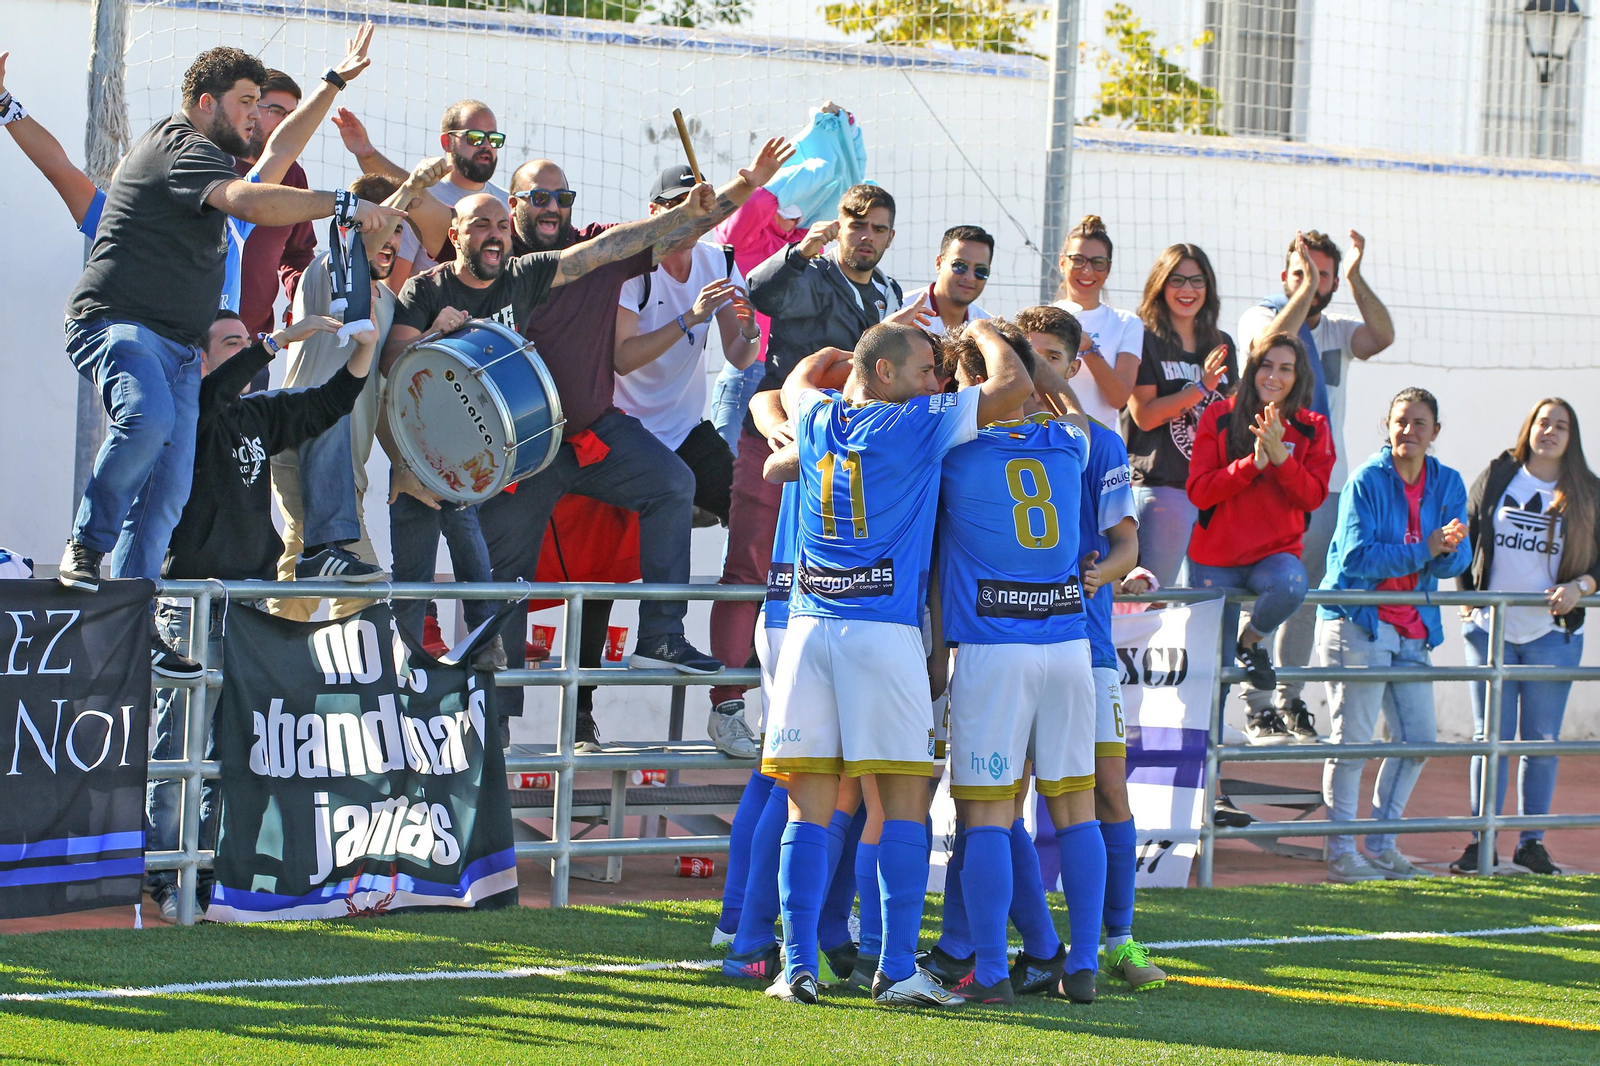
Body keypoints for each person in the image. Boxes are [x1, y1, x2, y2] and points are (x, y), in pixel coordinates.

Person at [58, 45, 402, 679]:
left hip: (187, 352)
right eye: (245, 103)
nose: (254, 116)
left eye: (257, 103)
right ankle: (85, 546)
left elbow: (278, 158)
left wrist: (330, 83)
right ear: (203, 104)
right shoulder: (181, 151)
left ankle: (133, 617)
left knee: (169, 492)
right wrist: (343, 204)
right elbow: (251, 196)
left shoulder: (220, 189)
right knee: (147, 421)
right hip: (121, 327)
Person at [466, 138, 792, 735]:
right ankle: (494, 725)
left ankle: (668, 642)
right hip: (522, 452)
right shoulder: (489, 268)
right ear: (511, 206)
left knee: (675, 484)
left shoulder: (602, 247)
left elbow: (674, 232)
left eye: (560, 197)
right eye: (538, 197)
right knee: (510, 581)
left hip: (600, 436)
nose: (551, 207)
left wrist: (743, 186)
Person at [761, 321, 1030, 1007]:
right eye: (924, 370)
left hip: (810, 631)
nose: (935, 382)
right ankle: (897, 971)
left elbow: (792, 385)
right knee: (907, 797)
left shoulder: (818, 413)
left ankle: (794, 968)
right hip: (881, 634)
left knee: (808, 807)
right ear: (883, 375)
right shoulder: (914, 424)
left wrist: (823, 357)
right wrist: (984, 332)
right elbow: (1015, 386)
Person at [150, 308, 376, 919]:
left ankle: (207, 873)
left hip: (248, 601)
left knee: (229, 751)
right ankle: (167, 875)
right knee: (181, 748)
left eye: (249, 342)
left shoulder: (257, 414)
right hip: (190, 604)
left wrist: (364, 351)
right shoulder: (182, 411)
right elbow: (213, 391)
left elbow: (324, 405)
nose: (250, 352)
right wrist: (277, 341)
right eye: (232, 343)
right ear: (198, 357)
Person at [710, 184, 921, 765]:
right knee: (752, 568)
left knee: (827, 578)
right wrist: (803, 250)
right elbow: (758, 292)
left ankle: (819, 706)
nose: (867, 237)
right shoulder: (812, 272)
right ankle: (727, 705)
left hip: (848, 457)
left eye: (878, 228)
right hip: (780, 436)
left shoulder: (888, 292)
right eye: (858, 225)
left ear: (890, 236)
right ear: (841, 227)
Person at [932, 321, 1095, 1006]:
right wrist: (1034, 367)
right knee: (1075, 811)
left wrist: (983, 340)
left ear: (971, 383)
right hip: (1068, 647)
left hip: (996, 650)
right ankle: (1080, 963)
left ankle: (992, 973)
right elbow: (1067, 403)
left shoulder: (951, 445)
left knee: (988, 816)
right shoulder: (1067, 440)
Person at [1013, 304, 1162, 995]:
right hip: (1005, 641)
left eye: (1050, 355)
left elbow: (1127, 540)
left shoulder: (1100, 442)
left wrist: (1101, 573)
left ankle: (1119, 944)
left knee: (1108, 789)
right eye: (1026, 352)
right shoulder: (988, 430)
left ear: (1074, 366)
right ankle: (1039, 942)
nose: (1035, 366)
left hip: (1087, 645)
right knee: (999, 800)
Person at [613, 164, 764, 753]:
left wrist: (748, 335)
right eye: (680, 205)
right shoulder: (633, 267)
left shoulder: (718, 261)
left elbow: (738, 349)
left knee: (753, 511)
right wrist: (689, 318)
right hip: (623, 428)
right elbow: (623, 360)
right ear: (656, 211)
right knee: (602, 570)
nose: (693, 215)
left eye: (702, 206)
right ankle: (589, 709)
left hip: (683, 428)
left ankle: (737, 679)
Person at [269, 163, 456, 616]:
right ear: (349, 227)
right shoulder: (328, 274)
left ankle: (259, 674)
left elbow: (385, 397)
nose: (391, 243)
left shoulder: (388, 302)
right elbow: (361, 238)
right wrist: (411, 186)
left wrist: (403, 465)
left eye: (399, 236)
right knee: (363, 591)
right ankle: (331, 681)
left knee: (299, 583)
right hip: (302, 449)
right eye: (385, 230)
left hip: (344, 467)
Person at [1238, 230, 1395, 740]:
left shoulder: (1335, 329)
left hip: (1322, 485)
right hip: (1264, 480)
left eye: (1323, 274)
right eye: (1302, 273)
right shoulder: (1261, 316)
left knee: (1304, 595)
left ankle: (1290, 699)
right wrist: (1304, 291)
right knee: (1260, 591)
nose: (1314, 283)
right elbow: (1268, 346)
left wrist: (1354, 276)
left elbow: (1383, 336)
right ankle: (1256, 702)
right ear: (1285, 278)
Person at [1319, 388, 1468, 883]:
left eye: (1420, 423)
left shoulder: (1447, 481)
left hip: (1412, 630)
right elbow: (1355, 560)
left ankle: (1381, 846)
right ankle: (1340, 851)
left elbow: (1459, 558)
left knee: (1418, 740)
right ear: (1388, 425)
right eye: (1401, 421)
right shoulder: (1366, 480)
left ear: (1435, 432)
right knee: (1353, 744)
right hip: (1358, 622)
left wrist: (1447, 551)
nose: (1409, 431)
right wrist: (1426, 549)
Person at [1456, 398, 1600, 875]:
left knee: (1539, 742)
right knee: (1488, 738)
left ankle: (1530, 843)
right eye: (1543, 422)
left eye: (1561, 426)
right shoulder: (1500, 474)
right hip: (1490, 630)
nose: (1550, 431)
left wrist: (1582, 586)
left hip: (1550, 635)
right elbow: (1467, 531)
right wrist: (1469, 601)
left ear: (1571, 438)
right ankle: (1483, 841)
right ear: (1529, 428)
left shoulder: (1587, 491)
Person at [1186, 334, 1333, 743]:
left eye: (1286, 368)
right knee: (1210, 678)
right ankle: (1209, 796)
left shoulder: (1312, 426)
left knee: (1292, 585)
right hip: (1214, 559)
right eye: (1267, 365)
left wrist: (1282, 459)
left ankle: (1250, 641)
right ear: (1252, 369)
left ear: (1298, 376)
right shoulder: (1218, 415)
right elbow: (1199, 491)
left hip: (1274, 557)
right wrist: (1253, 463)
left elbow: (1313, 496)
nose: (1274, 375)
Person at [709, 101, 866, 454]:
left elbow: (850, 186)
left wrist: (846, 131)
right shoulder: (745, 239)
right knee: (727, 469)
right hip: (746, 370)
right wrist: (820, 129)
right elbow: (751, 206)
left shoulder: (802, 248)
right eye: (785, 207)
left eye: (799, 213)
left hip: (785, 376)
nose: (792, 218)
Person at [1121, 244, 1235, 590]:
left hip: (1212, 494)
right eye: (1177, 280)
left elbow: (1229, 417)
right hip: (1161, 489)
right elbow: (1144, 416)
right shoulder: (1143, 337)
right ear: (1160, 285)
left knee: (1202, 609)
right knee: (1154, 602)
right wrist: (1201, 387)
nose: (1187, 290)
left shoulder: (1222, 342)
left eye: (1196, 280)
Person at [337, 98, 509, 290]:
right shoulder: (421, 200)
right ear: (447, 142)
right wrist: (367, 155)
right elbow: (394, 288)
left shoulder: (506, 204)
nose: (486, 146)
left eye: (494, 139)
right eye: (475, 137)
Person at [1051, 214, 1142, 430]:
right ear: (1063, 262)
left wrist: (1089, 349)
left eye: (1098, 263)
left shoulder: (1126, 322)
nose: (1087, 271)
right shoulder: (1044, 318)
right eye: (1078, 260)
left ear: (1108, 269)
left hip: (1100, 446)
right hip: (1052, 441)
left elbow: (1119, 398)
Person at [903, 225, 993, 335]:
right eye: (959, 265)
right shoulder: (901, 311)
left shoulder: (989, 328)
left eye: (981, 270)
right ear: (939, 263)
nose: (970, 277)